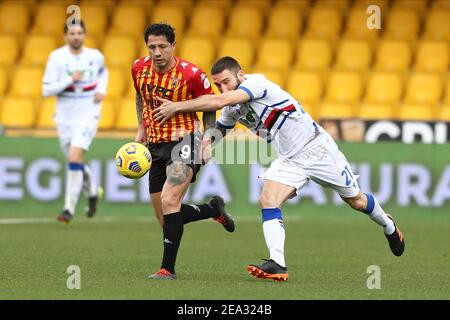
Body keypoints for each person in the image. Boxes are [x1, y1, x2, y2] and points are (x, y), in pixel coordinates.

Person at [152, 56, 405, 282]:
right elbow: (219, 129)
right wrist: (205, 146)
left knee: (357, 201)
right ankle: (278, 264)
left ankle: (388, 226)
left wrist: (177, 106)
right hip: (290, 159)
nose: (223, 88)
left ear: (240, 75)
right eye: (218, 84)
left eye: (226, 81)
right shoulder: (232, 107)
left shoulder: (257, 83)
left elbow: (219, 101)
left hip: (317, 149)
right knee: (267, 198)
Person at [132, 24, 235, 280]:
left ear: (173, 46)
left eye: (162, 47)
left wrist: (209, 139)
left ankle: (167, 269)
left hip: (185, 140)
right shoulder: (138, 68)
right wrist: (142, 128)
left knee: (169, 202)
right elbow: (140, 97)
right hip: (154, 145)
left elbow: (210, 106)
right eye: (152, 47)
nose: (157, 52)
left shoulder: (191, 74)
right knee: (164, 216)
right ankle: (213, 210)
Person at [42, 20, 107, 223]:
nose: (76, 36)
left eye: (80, 32)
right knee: (75, 161)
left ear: (85, 34)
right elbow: (46, 90)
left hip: (88, 113)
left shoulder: (95, 56)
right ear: (66, 36)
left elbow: (104, 71)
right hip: (64, 116)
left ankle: (68, 209)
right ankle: (93, 191)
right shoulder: (57, 57)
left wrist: (101, 90)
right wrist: (70, 80)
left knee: (73, 159)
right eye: (72, 33)